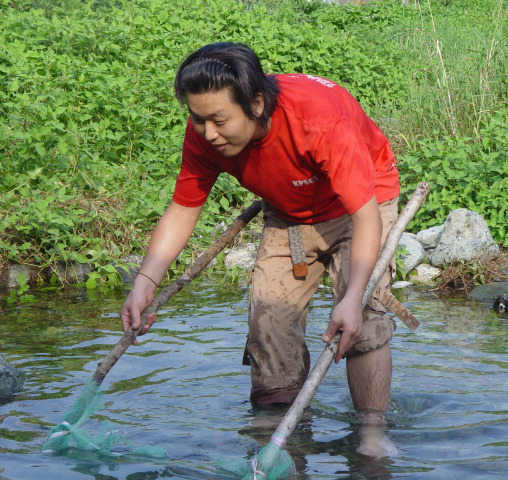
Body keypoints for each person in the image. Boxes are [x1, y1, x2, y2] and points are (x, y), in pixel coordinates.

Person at [120, 42, 400, 457]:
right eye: (198, 120)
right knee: (268, 322)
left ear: (256, 104)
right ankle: (282, 440)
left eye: (219, 120)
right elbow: (183, 208)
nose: (208, 133)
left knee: (363, 321)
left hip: (361, 203)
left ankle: (372, 439)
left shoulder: (317, 119)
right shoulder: (204, 133)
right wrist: (146, 281)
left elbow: (365, 216)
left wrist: (354, 296)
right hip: (288, 212)